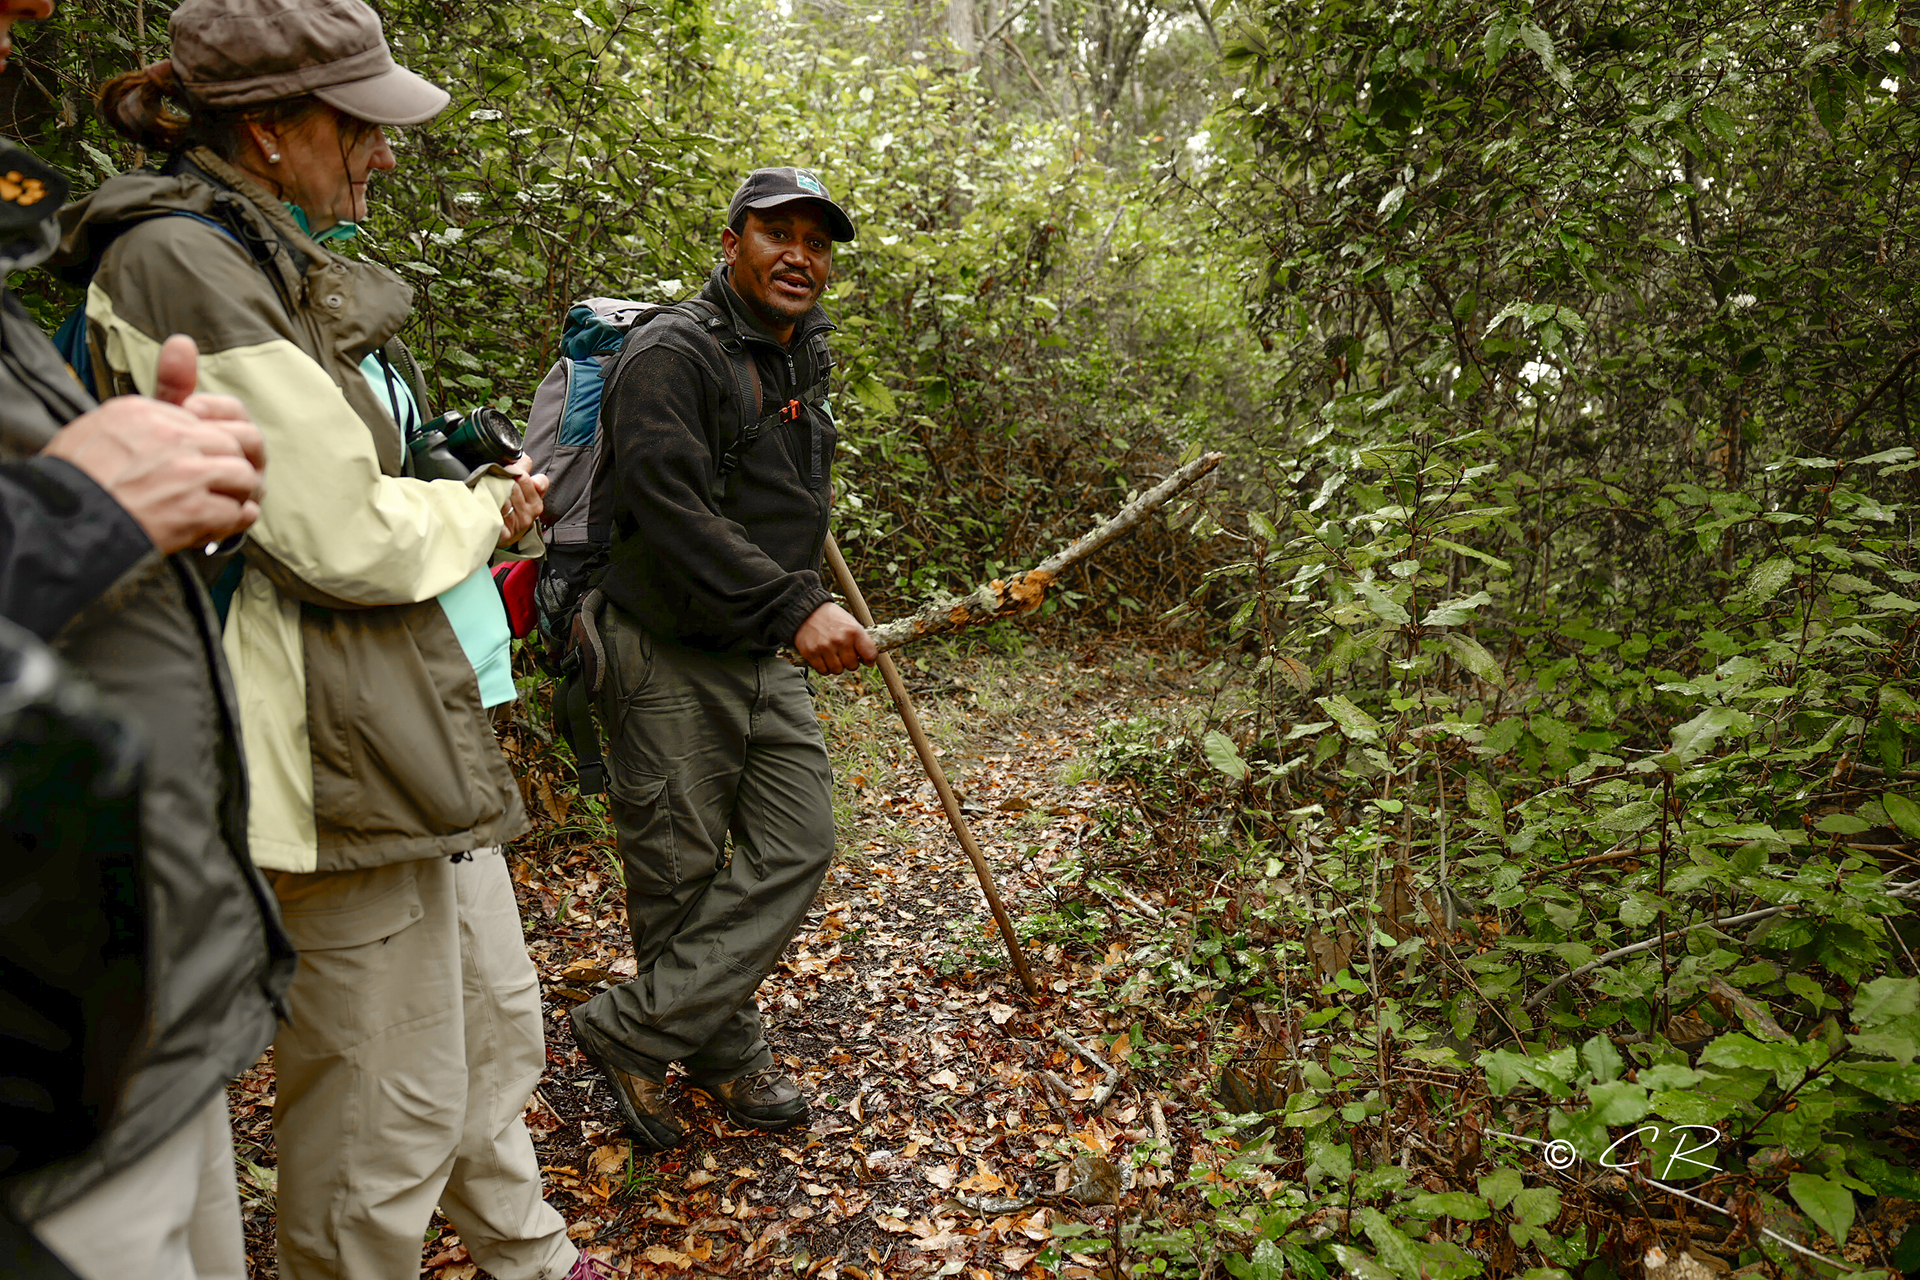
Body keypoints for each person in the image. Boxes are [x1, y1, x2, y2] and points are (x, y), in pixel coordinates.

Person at [63, 1, 603, 1277]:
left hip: (380, 730)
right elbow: (339, 531)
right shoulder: (181, 262)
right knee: (381, 1116)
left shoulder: (259, 249)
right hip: (318, 749)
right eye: (359, 124)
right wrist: (474, 506)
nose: (384, 151)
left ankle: (522, 1249)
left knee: (462, 1048)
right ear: (266, 132)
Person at [0, 4, 293, 1280]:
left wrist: (171, 516)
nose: (30, 22)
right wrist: (77, 514)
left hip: (139, 1019)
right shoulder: (178, 249)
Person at [569, 167, 877, 1152]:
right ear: (734, 238)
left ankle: (636, 1023)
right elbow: (668, 507)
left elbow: (772, 491)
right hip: (662, 643)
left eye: (817, 242)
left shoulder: (802, 353)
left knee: (800, 840)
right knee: (680, 867)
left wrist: (798, 596)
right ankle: (722, 1051)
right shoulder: (670, 352)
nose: (800, 256)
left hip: (757, 640)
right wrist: (796, 606)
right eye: (778, 233)